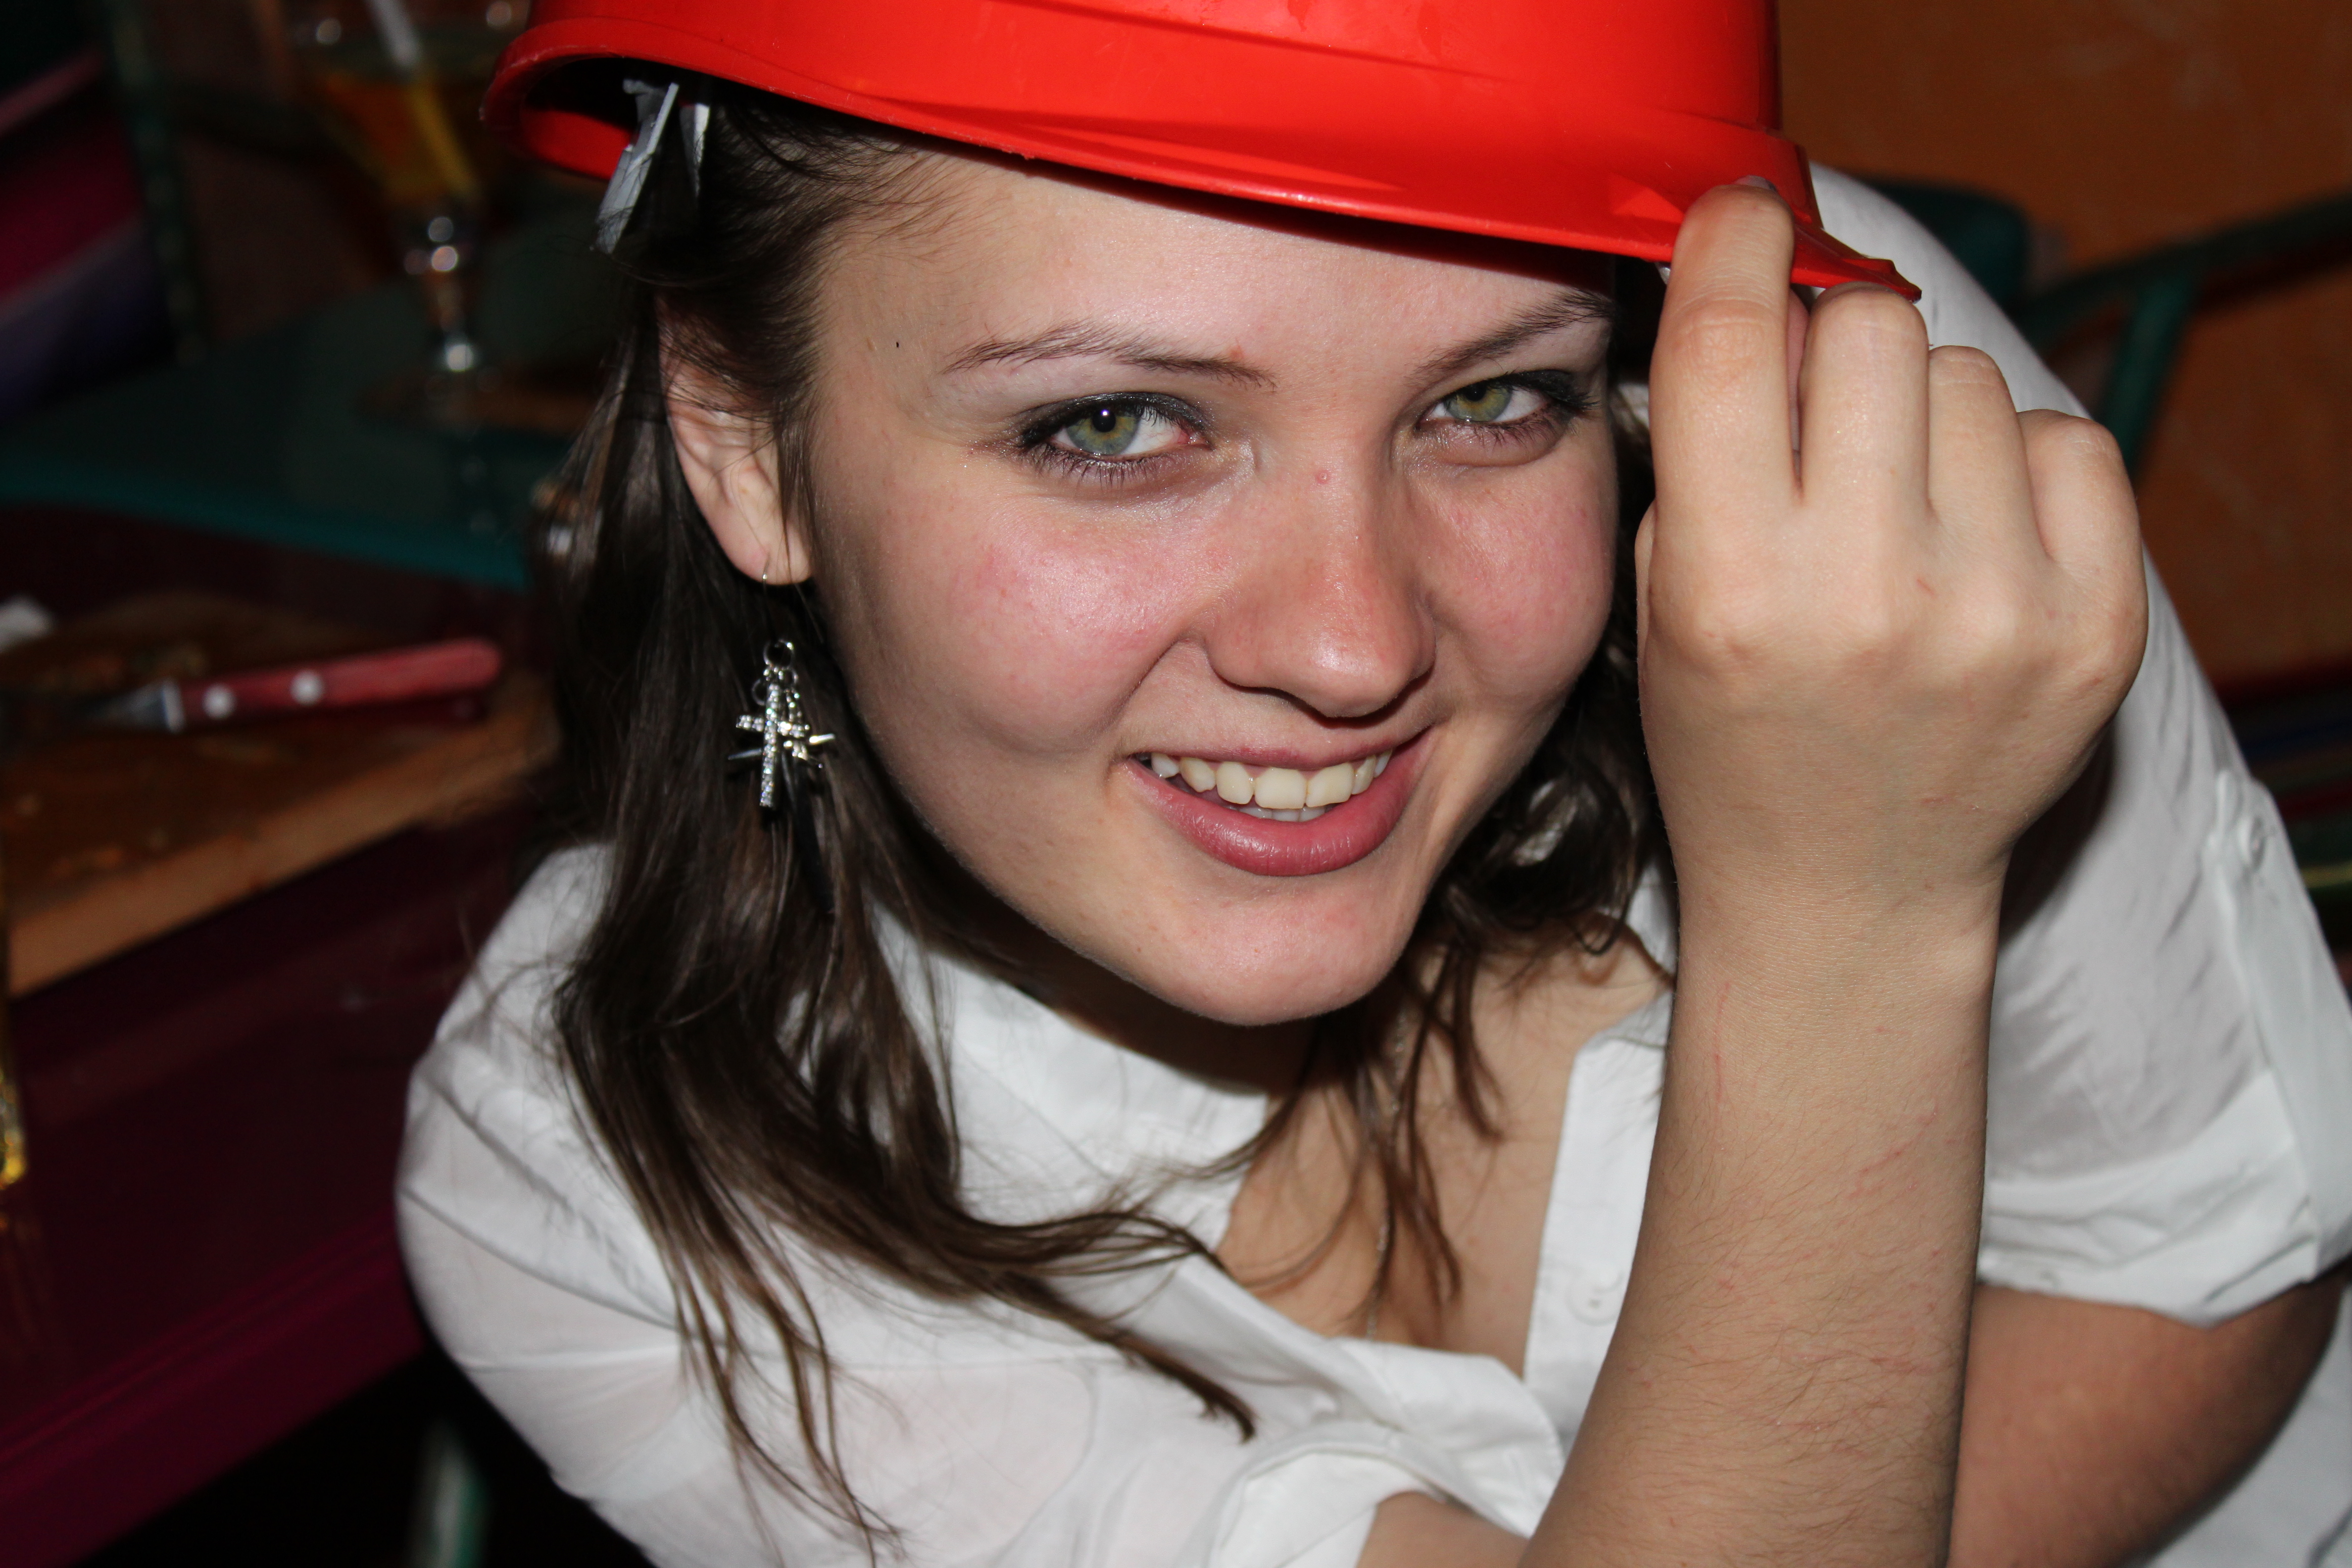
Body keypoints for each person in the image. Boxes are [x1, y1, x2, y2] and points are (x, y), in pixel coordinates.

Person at [398, 3, 2352, 1564]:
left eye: (1496, 399)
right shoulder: (608, 1170)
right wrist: (1848, 926)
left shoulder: (1822, 407)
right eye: (1117, 424)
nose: (1353, 647)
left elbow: (2216, 1262)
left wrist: (1844, 898)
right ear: (742, 438)